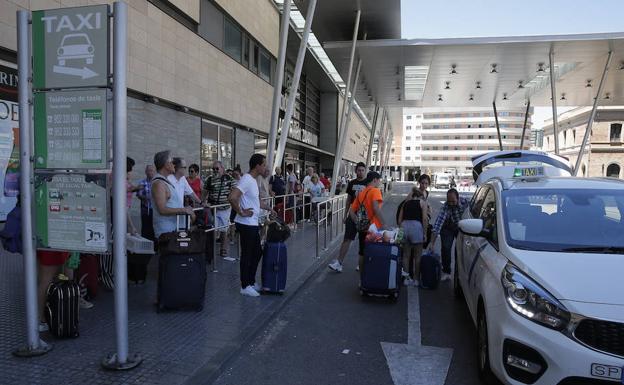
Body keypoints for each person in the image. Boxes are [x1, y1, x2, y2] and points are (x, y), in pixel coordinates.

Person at [229, 154, 276, 297]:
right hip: (246, 224)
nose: (266, 167)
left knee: (257, 252)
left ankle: (250, 281)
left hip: (252, 223)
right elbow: (232, 197)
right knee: (247, 255)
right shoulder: (247, 180)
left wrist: (270, 209)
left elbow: (257, 202)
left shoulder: (253, 180)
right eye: (264, 165)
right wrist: (241, 212)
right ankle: (244, 286)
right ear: (257, 166)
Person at [328, 162, 369, 272]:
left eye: (362, 170)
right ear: (356, 171)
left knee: (363, 241)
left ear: (365, 171)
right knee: (347, 238)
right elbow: (348, 200)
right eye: (359, 170)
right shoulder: (351, 183)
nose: (360, 172)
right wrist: (345, 214)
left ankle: (361, 264)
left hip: (364, 216)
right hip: (352, 214)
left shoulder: (368, 183)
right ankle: (339, 263)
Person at [346, 171, 386, 272]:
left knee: (362, 252)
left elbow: (351, 210)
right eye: (379, 181)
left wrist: (357, 221)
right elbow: (376, 208)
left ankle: (361, 280)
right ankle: (370, 277)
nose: (379, 183)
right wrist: (384, 223)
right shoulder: (375, 191)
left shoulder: (361, 193)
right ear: (374, 180)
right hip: (373, 228)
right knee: (373, 251)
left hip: (362, 227)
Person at [151, 150, 195, 239]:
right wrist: (183, 210)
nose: (174, 165)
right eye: (171, 162)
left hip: (174, 231)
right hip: (167, 233)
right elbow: (162, 210)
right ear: (166, 165)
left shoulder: (164, 181)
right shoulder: (159, 183)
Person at [428, 188, 469, 281]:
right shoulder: (446, 207)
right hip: (447, 227)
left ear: (458, 199)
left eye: (453, 201)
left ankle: (459, 273)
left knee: (459, 250)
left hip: (461, 227)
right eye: (449, 201)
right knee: (446, 248)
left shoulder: (465, 202)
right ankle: (446, 271)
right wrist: (432, 243)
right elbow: (438, 224)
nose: (451, 204)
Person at [203, 160, 236, 257]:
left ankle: (223, 249)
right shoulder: (209, 179)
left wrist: (232, 200)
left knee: (223, 230)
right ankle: (210, 250)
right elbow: (205, 192)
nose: (215, 170)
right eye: (213, 169)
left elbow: (235, 191)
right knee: (212, 229)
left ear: (222, 169)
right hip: (213, 208)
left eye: (217, 168)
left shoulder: (229, 179)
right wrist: (203, 202)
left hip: (225, 208)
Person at [397, 186, 428, 286]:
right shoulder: (422, 203)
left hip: (404, 226)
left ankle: (406, 278)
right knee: (417, 256)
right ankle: (416, 280)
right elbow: (424, 219)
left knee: (406, 255)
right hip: (416, 227)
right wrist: (425, 233)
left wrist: (401, 231)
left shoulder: (405, 204)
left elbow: (399, 220)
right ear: (420, 197)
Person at [137, 164, 156, 241]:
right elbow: (139, 194)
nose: (150, 172)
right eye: (148, 170)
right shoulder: (142, 182)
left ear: (154, 172)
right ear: (145, 172)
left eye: (151, 170)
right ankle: (145, 244)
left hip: (155, 209)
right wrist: (145, 198)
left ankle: (155, 246)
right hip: (146, 208)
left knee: (154, 227)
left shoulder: (157, 182)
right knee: (145, 227)